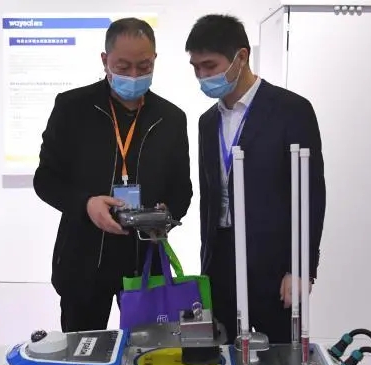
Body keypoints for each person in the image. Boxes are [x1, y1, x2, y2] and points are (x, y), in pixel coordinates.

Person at [34, 17, 193, 333]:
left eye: (143, 66)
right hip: (83, 257)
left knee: (146, 352)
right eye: (123, 66)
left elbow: (182, 189)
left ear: (155, 60)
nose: (133, 75)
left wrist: (166, 214)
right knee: (83, 350)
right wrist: (86, 204)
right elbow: (46, 179)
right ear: (105, 60)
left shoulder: (171, 118)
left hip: (144, 260)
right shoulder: (72, 108)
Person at [185, 14, 326, 344]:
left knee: (274, 357)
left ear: (241, 57)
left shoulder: (291, 110)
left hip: (274, 263)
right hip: (220, 261)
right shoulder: (208, 121)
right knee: (223, 353)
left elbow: (310, 194)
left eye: (210, 66)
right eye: (196, 68)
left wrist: (301, 267)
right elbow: (211, 197)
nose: (203, 76)